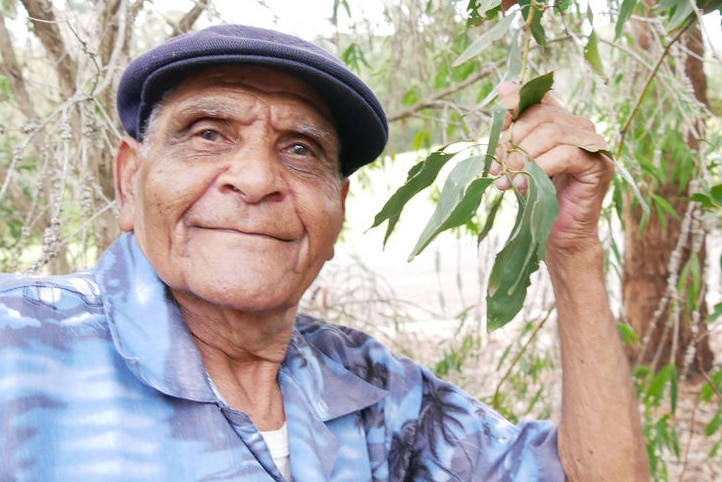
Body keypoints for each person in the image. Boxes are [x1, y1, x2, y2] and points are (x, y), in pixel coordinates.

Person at [0, 24, 649, 481]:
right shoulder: (19, 349)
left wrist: (573, 247)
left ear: (338, 211)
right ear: (127, 182)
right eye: (207, 134)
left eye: (300, 149)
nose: (255, 180)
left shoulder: (374, 392)